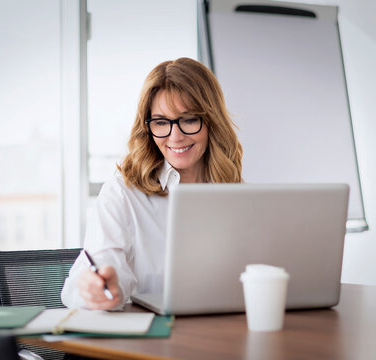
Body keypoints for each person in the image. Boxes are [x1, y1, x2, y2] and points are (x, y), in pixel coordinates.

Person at [61, 57, 243, 310]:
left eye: (189, 119)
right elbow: (101, 268)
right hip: (147, 343)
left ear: (212, 121)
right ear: (147, 127)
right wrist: (99, 288)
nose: (175, 137)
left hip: (216, 333)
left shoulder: (235, 193)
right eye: (160, 122)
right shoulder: (123, 192)